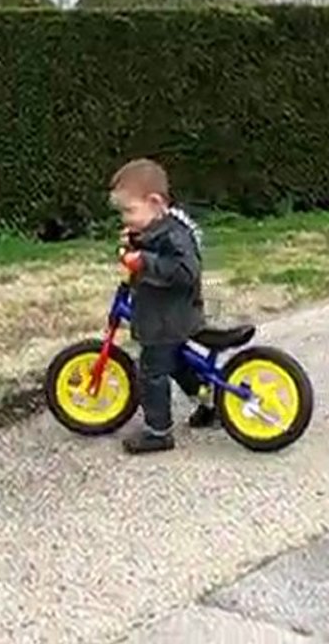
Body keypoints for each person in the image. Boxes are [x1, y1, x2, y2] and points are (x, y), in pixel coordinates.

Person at [110, 158, 215, 454]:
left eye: (129, 211)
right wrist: (135, 241)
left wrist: (143, 261)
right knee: (180, 365)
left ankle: (158, 432)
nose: (125, 218)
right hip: (171, 315)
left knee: (152, 371)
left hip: (167, 319)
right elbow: (152, 243)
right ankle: (209, 404)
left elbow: (185, 271)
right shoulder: (161, 227)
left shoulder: (175, 235)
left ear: (155, 203)